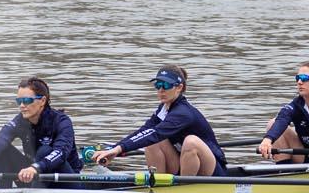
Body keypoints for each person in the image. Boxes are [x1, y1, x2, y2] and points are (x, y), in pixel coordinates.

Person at [90, 66, 227, 175]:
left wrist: (117, 150)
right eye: (158, 85)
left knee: (190, 141)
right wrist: (114, 149)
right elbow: (144, 132)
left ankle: (184, 190)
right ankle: (159, 186)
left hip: (212, 171)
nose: (161, 90)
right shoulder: (164, 108)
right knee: (151, 141)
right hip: (184, 165)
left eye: (166, 86)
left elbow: (155, 133)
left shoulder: (183, 113)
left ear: (179, 88)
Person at [0, 76, 79, 187]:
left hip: (66, 182)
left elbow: (61, 152)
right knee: (2, 149)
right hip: (33, 177)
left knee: (44, 151)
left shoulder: (62, 122)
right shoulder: (20, 121)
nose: (22, 106)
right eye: (19, 101)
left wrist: (35, 167)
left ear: (43, 101)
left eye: (27, 100)